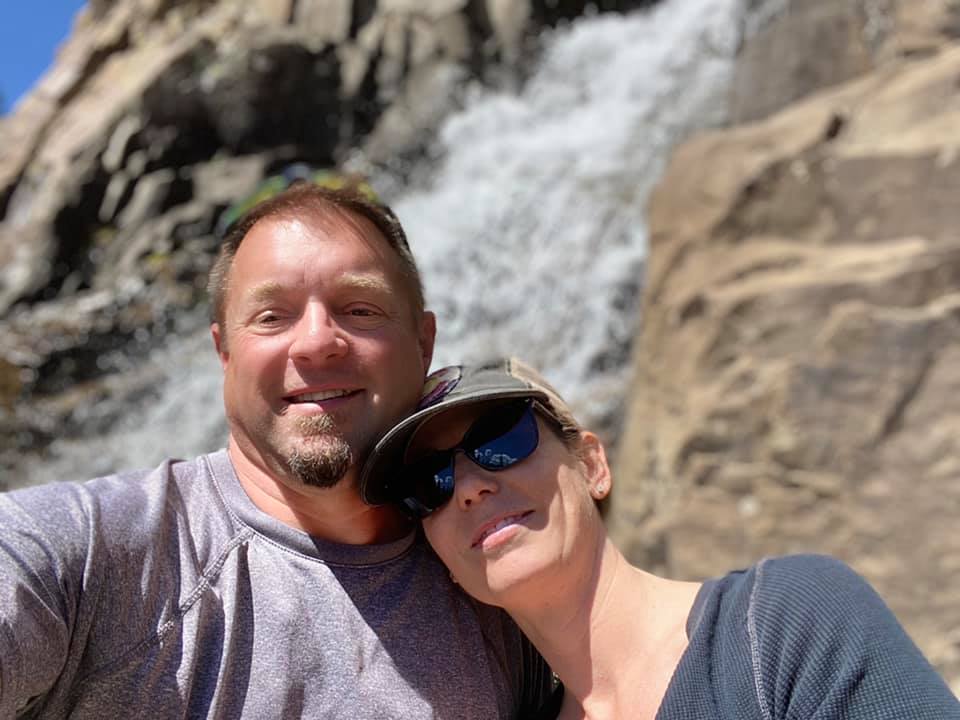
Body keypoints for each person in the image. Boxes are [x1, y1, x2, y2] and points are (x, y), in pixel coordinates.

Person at [0, 185, 552, 718]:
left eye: (360, 310)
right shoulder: (94, 555)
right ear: (224, 352)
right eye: (272, 316)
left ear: (423, 343)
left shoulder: (498, 577)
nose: (316, 342)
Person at [360, 357, 960, 720]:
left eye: (500, 440)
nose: (469, 486)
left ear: (592, 465)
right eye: (429, 482)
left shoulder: (787, 622)